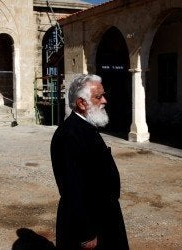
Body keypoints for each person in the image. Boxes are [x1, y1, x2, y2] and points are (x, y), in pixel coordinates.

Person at [50, 74, 129, 249]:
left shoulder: (86, 127)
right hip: (89, 224)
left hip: (102, 215)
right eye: (98, 97)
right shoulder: (69, 135)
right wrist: (85, 233)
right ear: (82, 103)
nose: (105, 101)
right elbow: (72, 188)